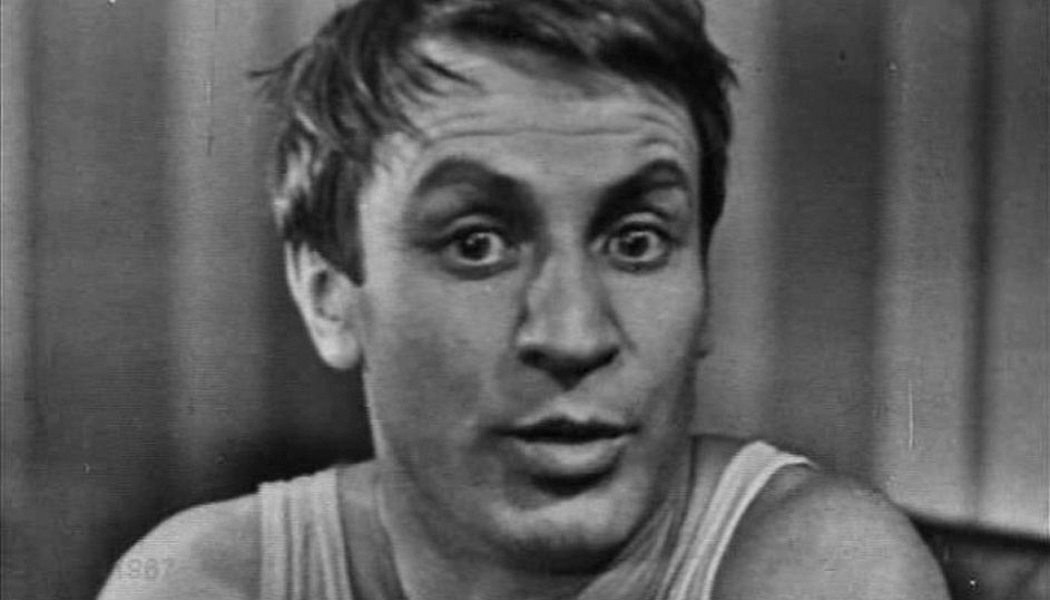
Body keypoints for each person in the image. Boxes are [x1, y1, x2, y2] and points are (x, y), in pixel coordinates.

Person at [100, 1, 948, 598]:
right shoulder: (207, 582)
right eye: (476, 244)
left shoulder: (824, 570)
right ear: (329, 297)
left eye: (637, 241)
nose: (573, 333)